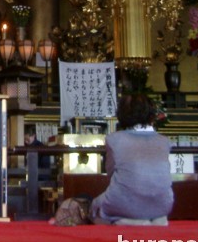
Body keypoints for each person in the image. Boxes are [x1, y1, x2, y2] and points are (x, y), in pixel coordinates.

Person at [50, 93, 173, 226]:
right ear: (151, 115)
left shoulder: (114, 140)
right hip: (163, 204)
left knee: (96, 208)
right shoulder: (164, 141)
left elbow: (111, 172)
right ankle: (152, 218)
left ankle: (127, 221)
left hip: (124, 202)